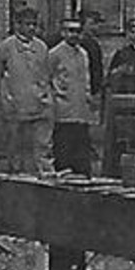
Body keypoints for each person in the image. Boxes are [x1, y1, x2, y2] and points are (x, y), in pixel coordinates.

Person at [0, 8, 54, 175]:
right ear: (18, 25)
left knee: (41, 147)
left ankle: (40, 177)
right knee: (15, 147)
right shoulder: (5, 48)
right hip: (15, 108)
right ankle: (16, 176)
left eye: (34, 24)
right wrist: (6, 96)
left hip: (39, 106)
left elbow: (46, 75)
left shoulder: (42, 47)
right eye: (27, 24)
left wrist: (44, 96)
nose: (31, 28)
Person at [49, 17, 98, 174]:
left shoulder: (83, 54)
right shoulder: (54, 54)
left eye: (77, 31)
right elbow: (46, 79)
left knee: (81, 156)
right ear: (63, 33)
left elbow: (87, 80)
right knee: (64, 154)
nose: (74, 35)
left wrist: (89, 100)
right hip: (62, 112)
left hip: (81, 112)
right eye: (70, 31)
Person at [77, 9, 107, 101]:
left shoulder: (94, 43)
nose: (95, 28)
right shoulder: (79, 44)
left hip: (93, 91)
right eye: (92, 24)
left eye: (97, 24)